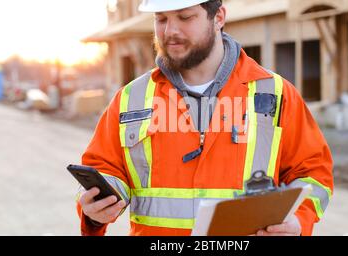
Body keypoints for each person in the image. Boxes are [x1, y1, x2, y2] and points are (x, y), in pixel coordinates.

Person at [76, 0, 333, 236]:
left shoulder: (275, 93)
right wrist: (96, 210)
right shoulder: (131, 98)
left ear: (218, 17)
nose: (170, 31)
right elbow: (107, 171)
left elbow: (313, 173)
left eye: (185, 17)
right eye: (161, 19)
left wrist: (298, 220)